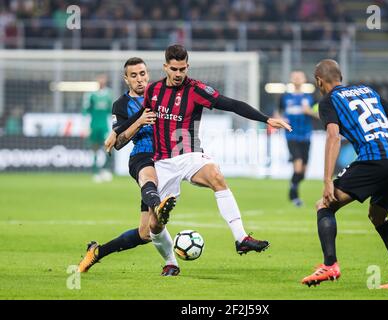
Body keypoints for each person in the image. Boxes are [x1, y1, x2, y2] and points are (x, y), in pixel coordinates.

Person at [107, 44, 292, 257]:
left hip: (189, 155)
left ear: (188, 67)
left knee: (216, 176)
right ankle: (170, 262)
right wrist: (116, 132)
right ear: (166, 67)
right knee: (153, 227)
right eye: (174, 69)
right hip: (163, 162)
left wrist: (266, 119)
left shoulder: (196, 89)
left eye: (183, 69)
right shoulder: (154, 90)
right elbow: (139, 114)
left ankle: (241, 238)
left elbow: (231, 104)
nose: (178, 74)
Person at [301, 59, 388, 289]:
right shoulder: (367, 90)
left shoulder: (328, 101)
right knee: (378, 217)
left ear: (318, 81)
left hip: (374, 160)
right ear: (341, 76)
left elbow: (334, 136)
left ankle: (330, 265)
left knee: (324, 206)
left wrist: (326, 181)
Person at [78, 57, 179, 276]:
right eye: (134, 75)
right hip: (141, 155)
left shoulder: (162, 94)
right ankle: (171, 261)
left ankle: (97, 252)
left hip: (167, 159)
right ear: (126, 79)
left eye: (142, 74)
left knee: (145, 233)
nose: (139, 79)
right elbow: (120, 141)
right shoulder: (120, 105)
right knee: (149, 182)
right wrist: (139, 122)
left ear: (148, 75)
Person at [276, 70, 318, 207]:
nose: (297, 78)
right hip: (291, 135)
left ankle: (293, 183)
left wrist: (309, 111)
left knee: (303, 172)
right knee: (298, 165)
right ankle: (294, 196)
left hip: (306, 135)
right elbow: (277, 113)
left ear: (305, 79)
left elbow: (320, 115)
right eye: (294, 76)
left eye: (300, 76)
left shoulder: (312, 97)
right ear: (291, 79)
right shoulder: (285, 97)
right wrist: (279, 118)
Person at [82, 74, 114, 182]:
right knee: (94, 149)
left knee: (109, 148)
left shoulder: (109, 94)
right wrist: (86, 126)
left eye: (103, 79)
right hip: (94, 126)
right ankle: (95, 172)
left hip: (105, 126)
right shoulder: (91, 95)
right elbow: (86, 111)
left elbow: (112, 111)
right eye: (99, 79)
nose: (101, 81)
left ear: (105, 81)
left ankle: (105, 170)